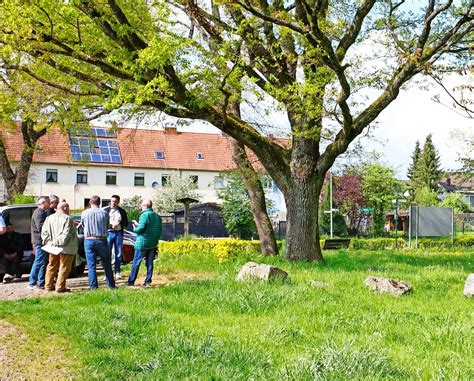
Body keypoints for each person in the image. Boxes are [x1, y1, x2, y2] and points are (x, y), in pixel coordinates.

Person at [41, 202, 78, 293]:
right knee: (64, 267)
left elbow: (44, 232)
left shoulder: (49, 218)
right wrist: (57, 242)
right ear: (65, 208)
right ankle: (60, 287)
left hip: (52, 247)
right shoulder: (68, 218)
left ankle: (48, 285)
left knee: (51, 266)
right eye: (68, 207)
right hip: (66, 248)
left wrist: (49, 242)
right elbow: (66, 234)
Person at [81, 195, 115, 289]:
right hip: (102, 240)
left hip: (89, 240)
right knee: (107, 264)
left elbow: (83, 225)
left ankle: (93, 287)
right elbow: (108, 226)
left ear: (90, 203)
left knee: (91, 265)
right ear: (99, 203)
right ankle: (111, 285)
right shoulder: (104, 213)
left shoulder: (84, 213)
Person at [127, 199, 162, 287]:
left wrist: (135, 227)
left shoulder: (144, 215)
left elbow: (140, 229)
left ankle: (131, 282)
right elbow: (159, 229)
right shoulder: (157, 216)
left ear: (145, 206)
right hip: (153, 243)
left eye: (141, 206)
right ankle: (148, 281)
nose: (141, 207)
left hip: (142, 243)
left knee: (136, 262)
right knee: (150, 263)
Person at [103, 195, 129, 280]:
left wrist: (120, 222)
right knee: (107, 253)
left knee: (118, 253)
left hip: (118, 233)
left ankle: (117, 272)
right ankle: (107, 272)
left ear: (118, 202)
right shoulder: (106, 210)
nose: (113, 203)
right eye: (112, 201)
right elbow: (103, 222)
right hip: (109, 233)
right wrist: (110, 225)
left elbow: (126, 223)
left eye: (115, 201)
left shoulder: (122, 211)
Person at [29, 196, 51, 290]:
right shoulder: (39, 212)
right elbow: (41, 228)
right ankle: (32, 282)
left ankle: (40, 282)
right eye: (48, 202)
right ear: (43, 202)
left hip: (41, 241)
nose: (49, 204)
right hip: (40, 241)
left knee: (42, 262)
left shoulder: (42, 212)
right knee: (38, 261)